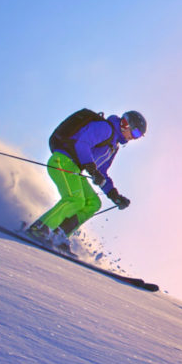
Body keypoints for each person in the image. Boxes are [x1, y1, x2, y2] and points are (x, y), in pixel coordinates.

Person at [26, 108, 147, 254]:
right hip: (62, 161)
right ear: (126, 124)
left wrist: (114, 195)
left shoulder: (113, 146)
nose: (134, 138)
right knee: (75, 199)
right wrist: (91, 168)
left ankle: (59, 234)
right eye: (135, 133)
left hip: (74, 168)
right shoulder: (105, 128)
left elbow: (102, 172)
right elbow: (82, 144)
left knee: (93, 203)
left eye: (138, 136)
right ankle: (40, 228)